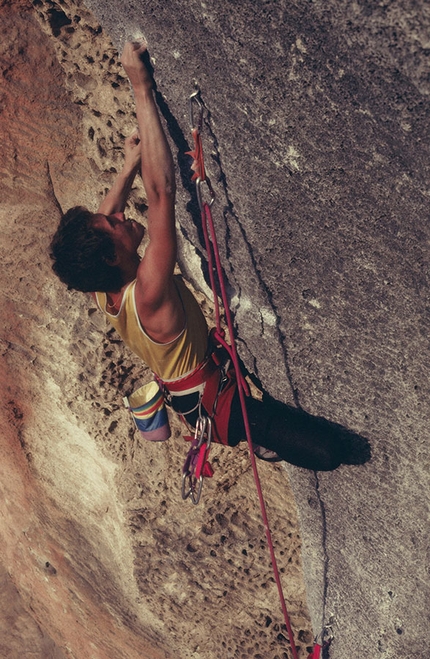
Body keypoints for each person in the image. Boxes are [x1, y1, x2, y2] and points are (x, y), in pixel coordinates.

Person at [50, 41, 370, 471]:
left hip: (188, 396)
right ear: (110, 257)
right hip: (216, 403)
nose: (119, 216)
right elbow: (162, 191)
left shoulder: (103, 290)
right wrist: (141, 89)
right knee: (330, 452)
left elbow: (108, 212)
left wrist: (128, 167)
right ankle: (268, 439)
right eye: (112, 227)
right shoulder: (148, 294)